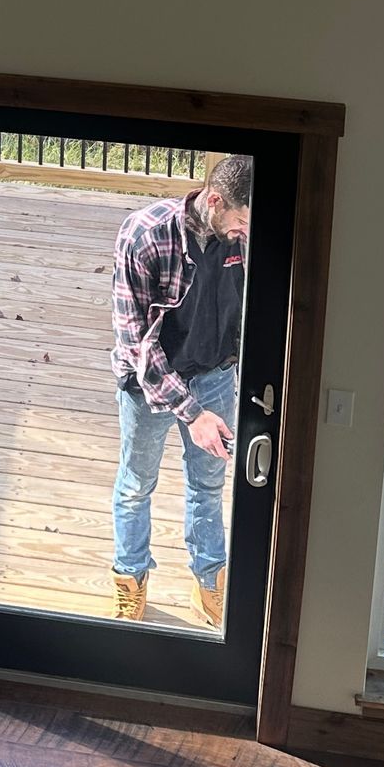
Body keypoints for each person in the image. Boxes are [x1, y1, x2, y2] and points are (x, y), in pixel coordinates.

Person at [108, 151, 252, 628]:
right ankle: (130, 580)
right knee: (136, 486)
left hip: (215, 375)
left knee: (208, 486)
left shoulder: (242, 234)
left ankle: (209, 586)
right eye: (240, 221)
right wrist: (192, 414)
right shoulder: (145, 236)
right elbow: (136, 345)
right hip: (149, 383)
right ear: (214, 201)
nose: (245, 232)